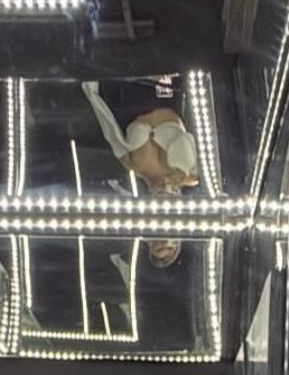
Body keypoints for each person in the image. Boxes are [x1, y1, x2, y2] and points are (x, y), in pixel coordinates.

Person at [81, 82, 200, 267]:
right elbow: (189, 137)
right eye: (166, 241)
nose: (160, 236)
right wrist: (180, 171)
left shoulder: (133, 167)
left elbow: (109, 128)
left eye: (155, 242)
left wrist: (92, 89)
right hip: (164, 89)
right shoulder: (190, 176)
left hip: (127, 89)